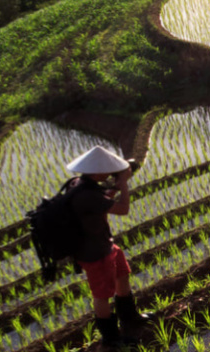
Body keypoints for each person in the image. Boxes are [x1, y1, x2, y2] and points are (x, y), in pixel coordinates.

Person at [64, 146, 152, 348]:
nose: (109, 172)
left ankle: (130, 317)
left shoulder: (82, 184)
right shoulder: (86, 193)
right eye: (107, 169)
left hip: (105, 244)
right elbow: (123, 209)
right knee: (102, 295)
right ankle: (111, 339)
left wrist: (118, 185)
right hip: (94, 253)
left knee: (123, 274)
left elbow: (103, 201)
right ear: (97, 171)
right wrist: (124, 185)